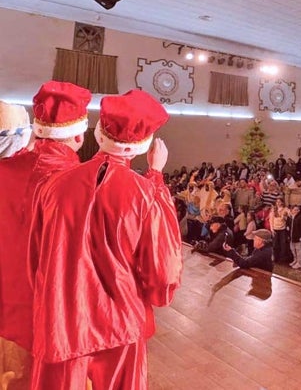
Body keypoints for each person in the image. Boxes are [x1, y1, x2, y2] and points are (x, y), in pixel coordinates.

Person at [28, 89, 183, 389]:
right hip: (121, 324)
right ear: (141, 147)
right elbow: (163, 274)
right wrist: (156, 175)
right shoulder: (146, 194)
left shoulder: (52, 186)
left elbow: (37, 260)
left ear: (97, 134)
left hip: (62, 320)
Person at [0, 82, 90, 388]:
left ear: (36, 131)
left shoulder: (3, 173)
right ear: (80, 135)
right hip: (63, 321)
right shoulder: (90, 185)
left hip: (8, 312)